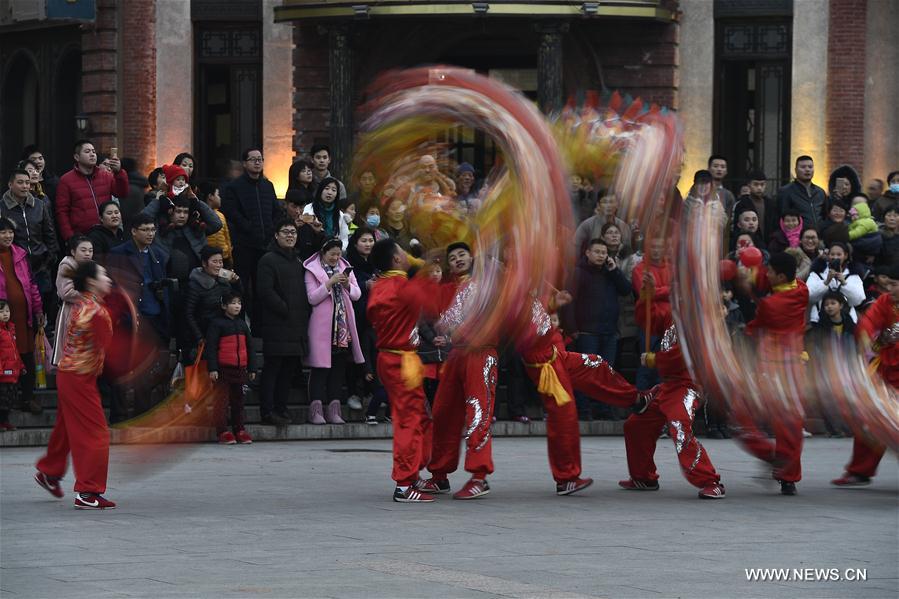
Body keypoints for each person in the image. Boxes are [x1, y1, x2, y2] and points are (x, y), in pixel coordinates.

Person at [520, 291, 651, 496]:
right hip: (544, 365)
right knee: (564, 416)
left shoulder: (528, 287)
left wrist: (553, 304)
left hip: (556, 354)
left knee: (594, 364)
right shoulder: (507, 295)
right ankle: (566, 479)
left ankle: (635, 399)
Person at [418, 242, 498, 500]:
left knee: (478, 412)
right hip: (456, 355)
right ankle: (439, 475)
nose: (458, 260)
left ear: (472, 258)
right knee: (443, 412)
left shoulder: (484, 285)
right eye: (452, 258)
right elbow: (438, 320)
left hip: (481, 352)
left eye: (462, 255)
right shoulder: (447, 289)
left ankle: (479, 476)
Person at [34, 260, 117, 509]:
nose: (108, 279)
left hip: (73, 375)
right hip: (79, 378)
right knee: (95, 433)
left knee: (68, 428)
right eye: (104, 275)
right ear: (91, 281)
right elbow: (115, 351)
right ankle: (87, 491)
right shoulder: (95, 311)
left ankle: (49, 471)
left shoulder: (84, 304)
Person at [367, 238, 444, 502]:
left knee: (417, 415)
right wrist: (428, 266)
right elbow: (434, 303)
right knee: (409, 420)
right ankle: (404, 482)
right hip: (402, 360)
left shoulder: (381, 286)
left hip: (390, 358)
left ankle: (411, 473)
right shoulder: (402, 287)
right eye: (402, 252)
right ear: (397, 259)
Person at [618, 313, 725, 499]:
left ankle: (710, 481)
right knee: (636, 425)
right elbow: (647, 320)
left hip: (688, 386)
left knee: (679, 426)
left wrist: (654, 359)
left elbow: (684, 354)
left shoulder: (698, 322)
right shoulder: (672, 315)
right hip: (667, 387)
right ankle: (643, 477)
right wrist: (645, 296)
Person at [736, 252, 809, 496]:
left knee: (742, 413)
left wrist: (745, 287)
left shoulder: (771, 306)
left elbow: (756, 323)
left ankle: (771, 457)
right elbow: (768, 286)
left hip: (772, 366)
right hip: (794, 366)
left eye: (770, 271)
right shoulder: (801, 289)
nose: (766, 274)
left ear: (780, 275)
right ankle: (788, 476)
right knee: (790, 423)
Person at [831, 264, 899, 487]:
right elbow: (869, 321)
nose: (889, 288)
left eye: (894, 284)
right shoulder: (885, 301)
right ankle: (860, 469)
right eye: (889, 283)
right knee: (871, 418)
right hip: (887, 368)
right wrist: (866, 337)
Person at [569, 239, 632, 419]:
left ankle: (604, 409)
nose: (601, 256)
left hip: (609, 332)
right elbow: (569, 302)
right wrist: (572, 327)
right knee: (585, 373)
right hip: (587, 332)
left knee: (606, 373)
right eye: (597, 252)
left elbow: (626, 290)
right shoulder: (579, 272)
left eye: (604, 253)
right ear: (588, 253)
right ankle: (584, 409)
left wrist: (615, 271)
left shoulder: (610, 273)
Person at [256, 219, 311, 426]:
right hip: (277, 324)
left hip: (296, 325)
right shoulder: (268, 260)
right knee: (273, 369)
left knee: (288, 370)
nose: (290, 235)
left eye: (293, 232)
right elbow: (265, 291)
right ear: (276, 235)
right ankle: (267, 411)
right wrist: (285, 308)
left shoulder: (298, 261)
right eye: (285, 232)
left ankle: (281, 408)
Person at [303, 237, 364, 425]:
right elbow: (312, 298)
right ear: (323, 252)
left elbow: (357, 294)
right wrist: (329, 283)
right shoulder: (311, 270)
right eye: (332, 254)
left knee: (338, 369)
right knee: (320, 368)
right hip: (322, 327)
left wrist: (346, 284)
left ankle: (335, 411)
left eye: (338, 254)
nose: (335, 257)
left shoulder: (346, 267)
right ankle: (316, 411)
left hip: (342, 327)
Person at [221, 148, 283, 319]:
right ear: (244, 163)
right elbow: (231, 212)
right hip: (244, 244)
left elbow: (276, 211)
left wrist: (271, 228)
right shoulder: (234, 187)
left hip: (266, 245)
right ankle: (240, 322)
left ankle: (259, 326)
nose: (257, 162)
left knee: (262, 286)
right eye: (253, 159)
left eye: (260, 159)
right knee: (242, 285)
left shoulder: (267, 185)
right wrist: (248, 227)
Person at [2, 169, 58, 328]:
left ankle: (41, 347)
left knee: (41, 310)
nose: (25, 186)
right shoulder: (2, 207)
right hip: (15, 265)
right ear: (10, 184)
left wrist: (50, 257)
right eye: (20, 182)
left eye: (27, 182)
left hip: (41, 264)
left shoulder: (39, 204)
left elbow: (49, 232)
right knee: (19, 310)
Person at [0, 217, 45, 415]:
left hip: (22, 316)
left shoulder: (20, 254)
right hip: (4, 317)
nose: (8, 235)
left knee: (26, 356)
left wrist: (37, 309)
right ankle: (6, 405)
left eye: (10, 232)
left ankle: (27, 397)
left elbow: (32, 285)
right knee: (5, 357)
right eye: (3, 232)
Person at [205, 289, 256, 445]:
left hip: (240, 369)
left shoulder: (242, 324)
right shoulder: (217, 324)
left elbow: (250, 347)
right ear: (224, 306)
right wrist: (212, 368)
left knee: (238, 401)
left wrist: (252, 368)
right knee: (221, 402)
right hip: (223, 369)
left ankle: (239, 429)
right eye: (233, 303)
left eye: (239, 303)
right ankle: (222, 431)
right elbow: (211, 348)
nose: (237, 306)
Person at [55, 139, 130, 240]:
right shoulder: (66, 180)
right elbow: (62, 212)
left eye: (94, 152)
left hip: (107, 233)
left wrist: (119, 172)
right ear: (77, 157)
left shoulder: (106, 176)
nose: (92, 154)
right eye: (87, 152)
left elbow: (122, 193)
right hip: (82, 236)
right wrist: (69, 237)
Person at [184, 246, 241, 361]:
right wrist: (199, 337)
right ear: (204, 263)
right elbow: (188, 313)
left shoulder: (224, 282)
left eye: (220, 262)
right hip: (204, 335)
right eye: (214, 262)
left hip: (223, 333)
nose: (219, 265)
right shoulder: (195, 285)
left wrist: (236, 282)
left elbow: (236, 301)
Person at [52, 236, 94, 367]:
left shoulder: (92, 266)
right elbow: (66, 292)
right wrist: (90, 296)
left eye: (90, 250)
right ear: (73, 252)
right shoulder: (67, 265)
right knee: (69, 351)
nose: (87, 253)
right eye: (83, 250)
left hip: (89, 311)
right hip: (71, 311)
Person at [806, 241, 865, 323]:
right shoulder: (817, 272)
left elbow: (858, 300)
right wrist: (826, 282)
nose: (835, 257)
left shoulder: (853, 274)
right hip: (819, 319)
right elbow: (808, 295)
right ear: (828, 255)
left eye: (839, 254)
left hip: (847, 320)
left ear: (846, 256)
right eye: (832, 254)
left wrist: (844, 283)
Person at [776, 155, 827, 230]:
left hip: (818, 237)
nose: (807, 170)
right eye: (803, 167)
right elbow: (781, 217)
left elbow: (825, 215)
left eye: (810, 167)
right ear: (796, 170)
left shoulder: (820, 192)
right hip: (797, 237)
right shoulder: (786, 191)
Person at [303, 177, 349, 250]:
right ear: (320, 190)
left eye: (334, 190)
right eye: (326, 188)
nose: (329, 192)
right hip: (312, 248)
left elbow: (344, 239)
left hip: (334, 252)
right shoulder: (309, 208)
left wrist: (338, 249)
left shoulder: (340, 214)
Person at [0, 300, 26, 431]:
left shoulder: (11, 329)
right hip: (3, 373)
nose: (5, 314)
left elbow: (15, 351)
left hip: (13, 372)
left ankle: (5, 422)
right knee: (2, 399)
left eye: (7, 311)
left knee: (9, 400)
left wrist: (21, 366)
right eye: (2, 311)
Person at [733, 170, 779, 241]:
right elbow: (736, 227)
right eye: (756, 184)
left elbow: (775, 225)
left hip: (769, 244)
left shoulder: (770, 204)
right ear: (749, 185)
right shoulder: (742, 204)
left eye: (762, 184)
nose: (759, 188)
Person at [197, 180, 232, 267]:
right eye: (217, 194)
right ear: (210, 197)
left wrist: (230, 258)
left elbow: (227, 238)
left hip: (224, 259)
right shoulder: (199, 216)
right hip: (208, 260)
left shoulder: (221, 215)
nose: (220, 198)